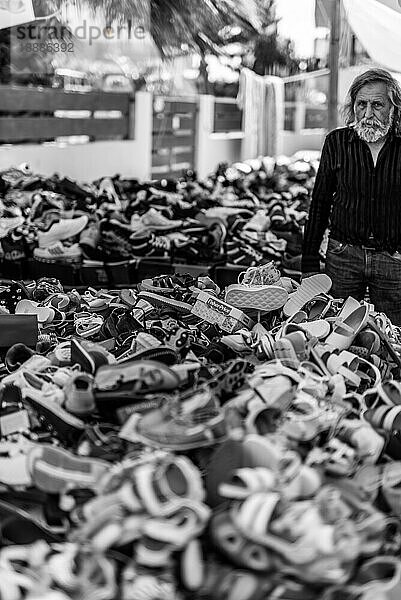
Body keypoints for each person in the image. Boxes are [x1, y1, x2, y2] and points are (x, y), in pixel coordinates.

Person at [301, 68, 401, 325]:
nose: (368, 114)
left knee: (391, 334)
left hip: (393, 260)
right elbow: (320, 203)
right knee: (336, 328)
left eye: (377, 105)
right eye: (361, 104)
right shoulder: (336, 143)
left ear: (394, 107)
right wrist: (310, 261)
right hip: (343, 256)